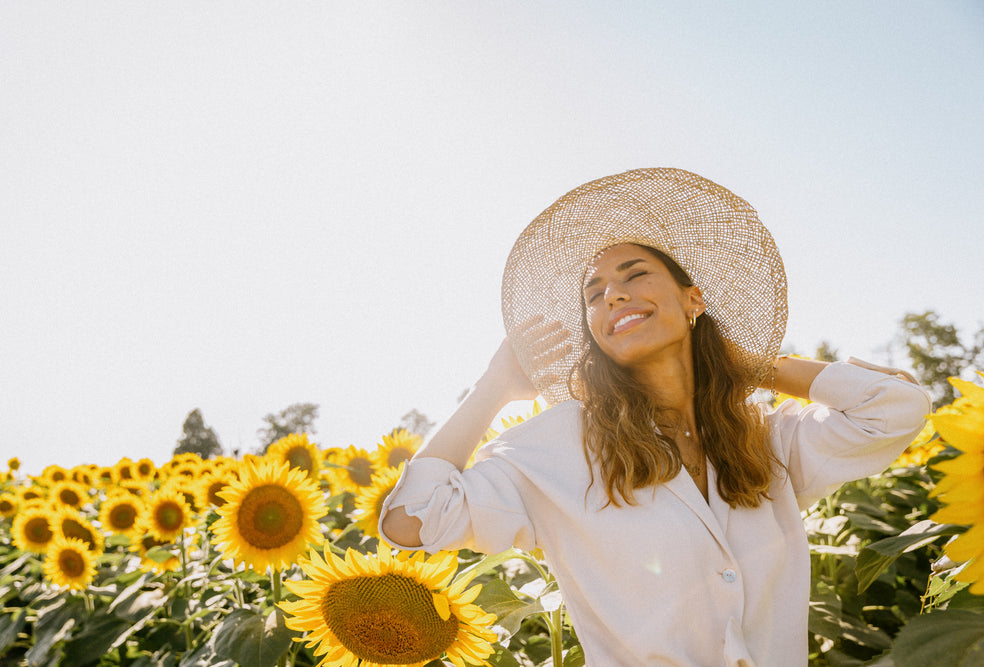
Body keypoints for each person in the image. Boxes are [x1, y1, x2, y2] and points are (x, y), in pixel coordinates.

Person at [379, 168, 930, 666]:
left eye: (634, 275)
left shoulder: (762, 438)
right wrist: (495, 384)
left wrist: (746, 363)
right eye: (593, 295)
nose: (612, 296)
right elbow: (412, 518)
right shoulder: (560, 444)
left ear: (694, 299)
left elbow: (893, 408)